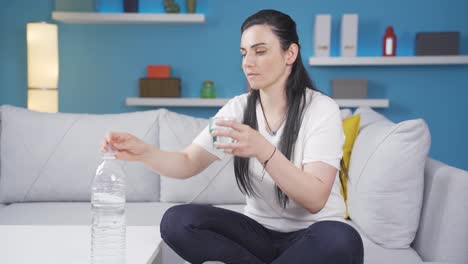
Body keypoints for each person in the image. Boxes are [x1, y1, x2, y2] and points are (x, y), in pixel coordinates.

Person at [102, 9, 364, 264]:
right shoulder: (238, 108)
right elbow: (187, 161)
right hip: (257, 235)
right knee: (177, 221)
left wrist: (263, 150)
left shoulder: (320, 109)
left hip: (314, 236)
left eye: (260, 51)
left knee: (342, 240)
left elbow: (315, 199)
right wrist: (145, 152)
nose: (247, 63)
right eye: (244, 53)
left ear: (290, 53)